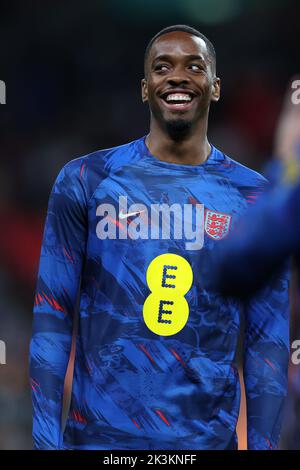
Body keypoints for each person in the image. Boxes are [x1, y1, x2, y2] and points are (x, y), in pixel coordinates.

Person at [29, 24, 289, 450]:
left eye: (195, 66)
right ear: (145, 88)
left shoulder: (254, 198)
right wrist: (44, 440)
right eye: (162, 67)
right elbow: (52, 315)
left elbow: (268, 343)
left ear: (216, 87)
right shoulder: (86, 180)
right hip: (99, 442)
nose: (177, 76)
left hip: (203, 443)